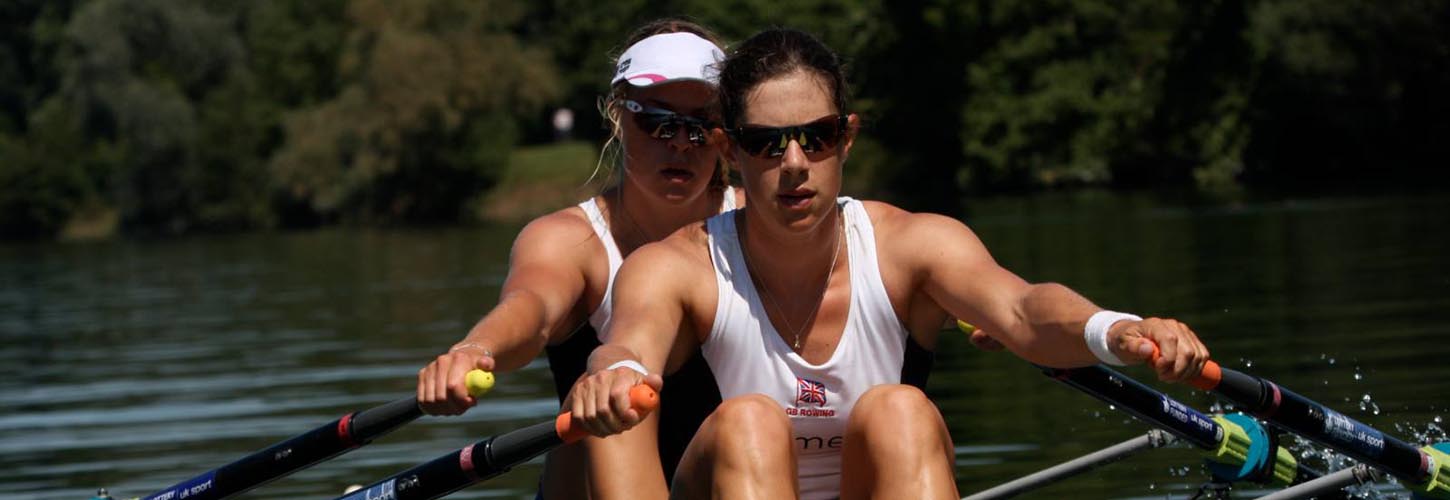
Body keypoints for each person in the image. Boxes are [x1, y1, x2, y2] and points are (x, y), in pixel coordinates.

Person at [565, 28, 1211, 500]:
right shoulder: (677, 266)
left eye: (816, 137)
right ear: (730, 152)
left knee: (901, 410)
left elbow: (1021, 309)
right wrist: (610, 374)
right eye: (766, 144)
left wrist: (1116, 330)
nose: (795, 164)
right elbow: (628, 348)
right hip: (723, 478)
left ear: (846, 137)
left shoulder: (912, 245)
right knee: (747, 422)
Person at [415, 19, 742, 499]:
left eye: (700, 128)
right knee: (609, 386)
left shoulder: (761, 225)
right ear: (618, 117)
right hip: (586, 481)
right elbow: (532, 307)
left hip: (726, 474)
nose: (678, 143)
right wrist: (475, 349)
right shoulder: (569, 240)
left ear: (725, 133)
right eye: (658, 121)